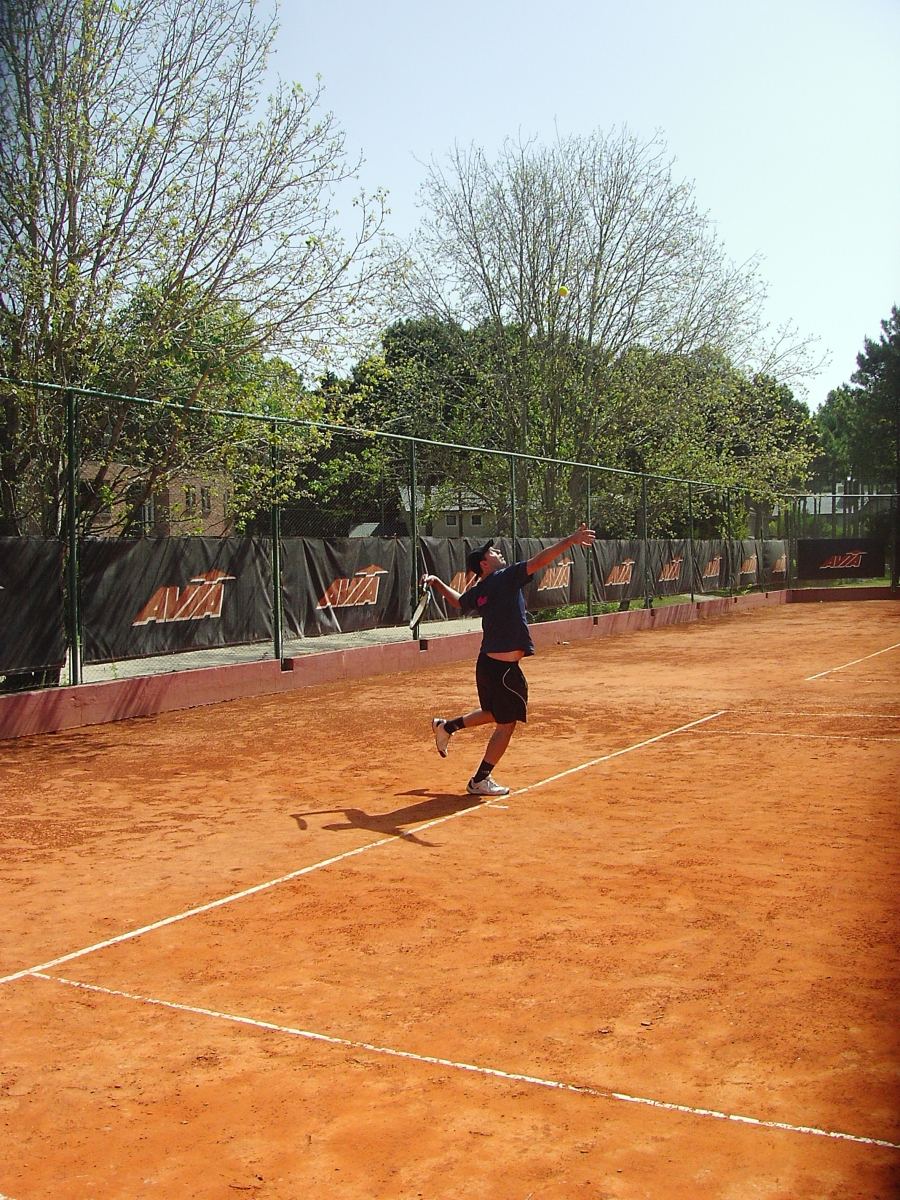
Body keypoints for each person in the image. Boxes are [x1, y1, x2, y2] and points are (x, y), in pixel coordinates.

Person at [423, 524, 596, 797]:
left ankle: (447, 727)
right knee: (506, 724)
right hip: (503, 670)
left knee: (494, 713)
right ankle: (479, 780)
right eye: (492, 552)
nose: (498, 552)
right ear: (484, 563)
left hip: (488, 666)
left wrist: (437, 583)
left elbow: (459, 602)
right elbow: (539, 561)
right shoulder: (504, 577)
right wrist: (570, 540)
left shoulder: (482, 588)